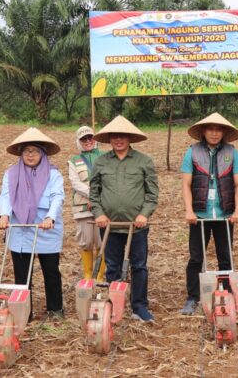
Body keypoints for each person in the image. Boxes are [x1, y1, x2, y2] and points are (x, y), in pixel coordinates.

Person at [90, 115, 159, 323]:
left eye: (123, 136)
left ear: (130, 138)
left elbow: (152, 194)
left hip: (136, 227)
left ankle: (139, 306)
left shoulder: (144, 161)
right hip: (109, 226)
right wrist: (99, 213)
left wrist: (143, 214)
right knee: (112, 266)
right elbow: (94, 193)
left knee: (138, 266)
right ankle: (113, 304)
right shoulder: (101, 162)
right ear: (110, 139)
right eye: (115, 136)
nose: (119, 140)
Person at [0, 128, 65, 318]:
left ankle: (55, 308)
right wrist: (4, 216)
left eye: (35, 150)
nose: (30, 154)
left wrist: (50, 217)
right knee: (22, 275)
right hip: (20, 230)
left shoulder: (54, 175)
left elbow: (58, 197)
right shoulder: (11, 173)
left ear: (42, 153)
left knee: (51, 271)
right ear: (21, 153)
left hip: (45, 228)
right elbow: (6, 196)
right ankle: (24, 312)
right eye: (26, 151)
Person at [179, 113, 238, 315]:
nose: (214, 133)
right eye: (210, 129)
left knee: (225, 256)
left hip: (224, 215)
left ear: (223, 132)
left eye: (218, 129)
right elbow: (186, 184)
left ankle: (225, 290)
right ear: (203, 132)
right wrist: (189, 211)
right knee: (196, 257)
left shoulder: (232, 153)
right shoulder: (192, 153)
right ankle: (193, 297)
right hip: (200, 216)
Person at [67, 126, 104, 282]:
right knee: (86, 241)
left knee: (103, 242)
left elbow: (108, 180)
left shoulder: (105, 157)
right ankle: (88, 275)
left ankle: (101, 276)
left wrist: (96, 200)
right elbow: (75, 183)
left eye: (90, 138)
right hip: (82, 207)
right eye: (84, 139)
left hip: (104, 207)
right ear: (79, 142)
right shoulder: (73, 160)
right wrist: (92, 196)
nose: (88, 141)